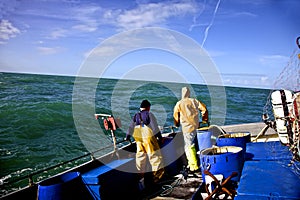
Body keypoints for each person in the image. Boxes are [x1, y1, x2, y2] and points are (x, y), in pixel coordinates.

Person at [125, 100, 165, 186]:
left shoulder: (136, 115)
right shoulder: (149, 114)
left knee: (140, 159)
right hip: (149, 139)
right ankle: (157, 179)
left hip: (139, 140)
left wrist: (127, 137)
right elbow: (155, 128)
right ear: (148, 107)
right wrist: (160, 138)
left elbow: (130, 128)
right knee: (155, 158)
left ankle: (141, 179)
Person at [173, 87, 209, 172]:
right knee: (197, 144)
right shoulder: (194, 101)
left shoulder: (179, 103)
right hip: (196, 126)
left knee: (189, 146)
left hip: (187, 128)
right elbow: (204, 109)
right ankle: (200, 162)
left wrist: (176, 124)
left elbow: (175, 115)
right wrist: (204, 120)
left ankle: (194, 166)